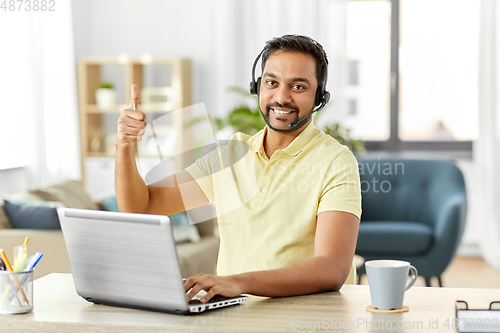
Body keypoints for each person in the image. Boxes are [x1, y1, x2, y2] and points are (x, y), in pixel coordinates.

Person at [115, 35, 361, 304]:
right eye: (271, 82)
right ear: (257, 86)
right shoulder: (229, 155)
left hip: (303, 316)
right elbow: (142, 207)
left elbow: (332, 268)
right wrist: (123, 146)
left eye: (298, 86)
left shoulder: (336, 160)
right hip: (235, 314)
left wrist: (236, 282)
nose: (281, 97)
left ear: (319, 96)